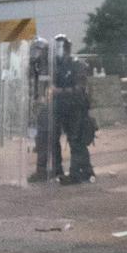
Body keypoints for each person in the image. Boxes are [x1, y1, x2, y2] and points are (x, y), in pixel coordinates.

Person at [51, 34, 95, 185]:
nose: (58, 51)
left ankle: (76, 173)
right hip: (64, 109)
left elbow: (79, 89)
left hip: (77, 108)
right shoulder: (58, 67)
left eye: (60, 48)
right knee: (74, 140)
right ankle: (87, 171)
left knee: (76, 140)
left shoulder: (76, 65)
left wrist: (60, 92)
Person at [27, 38, 61, 183]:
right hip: (39, 108)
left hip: (50, 107)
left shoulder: (51, 67)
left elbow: (51, 87)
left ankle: (47, 170)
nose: (36, 54)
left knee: (47, 140)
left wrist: (45, 100)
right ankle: (53, 169)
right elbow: (32, 87)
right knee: (42, 140)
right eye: (34, 51)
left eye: (38, 51)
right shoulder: (34, 68)